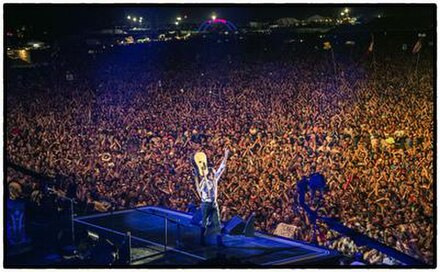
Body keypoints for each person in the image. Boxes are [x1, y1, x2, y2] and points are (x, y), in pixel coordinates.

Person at [193, 149, 229, 246]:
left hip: (214, 203)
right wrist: (201, 179)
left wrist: (225, 156)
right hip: (205, 203)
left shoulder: (215, 179)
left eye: (214, 173)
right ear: (209, 174)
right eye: (212, 173)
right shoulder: (204, 182)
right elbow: (199, 189)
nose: (214, 174)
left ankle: (219, 242)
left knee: (217, 223)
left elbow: (222, 168)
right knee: (204, 222)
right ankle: (201, 239)